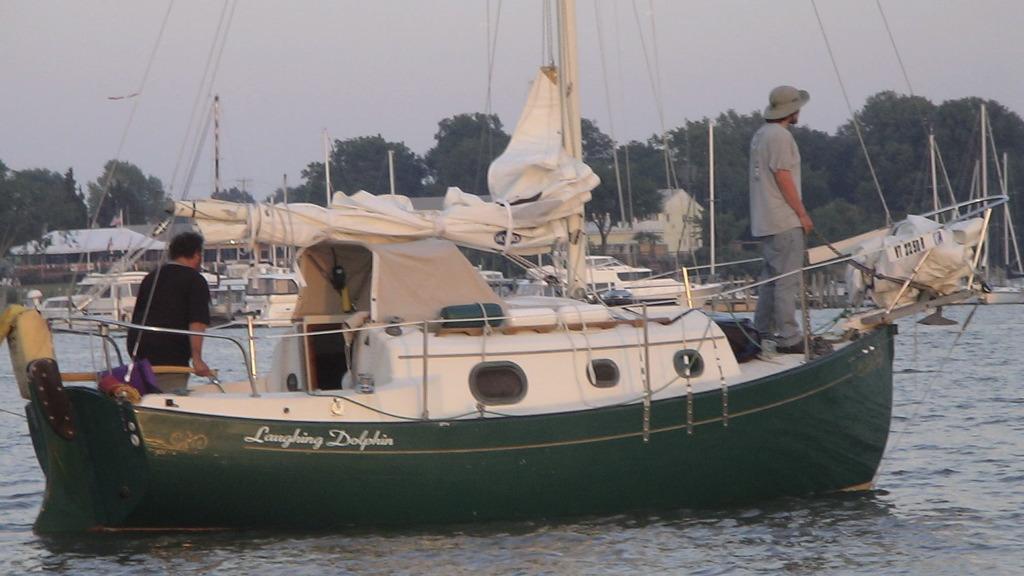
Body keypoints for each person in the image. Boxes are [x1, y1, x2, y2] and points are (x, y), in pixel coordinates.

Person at [749, 85, 814, 354]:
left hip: (765, 220)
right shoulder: (780, 137)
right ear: (791, 110)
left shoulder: (761, 134)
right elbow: (783, 176)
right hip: (784, 220)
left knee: (771, 280)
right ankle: (789, 336)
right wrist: (801, 213)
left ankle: (761, 332)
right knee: (787, 280)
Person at [127, 231, 212, 392]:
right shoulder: (195, 280)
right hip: (171, 353)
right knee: (169, 394)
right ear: (196, 254)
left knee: (148, 395)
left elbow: (139, 314)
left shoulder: (151, 277)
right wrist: (197, 358)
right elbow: (197, 322)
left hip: (139, 350)